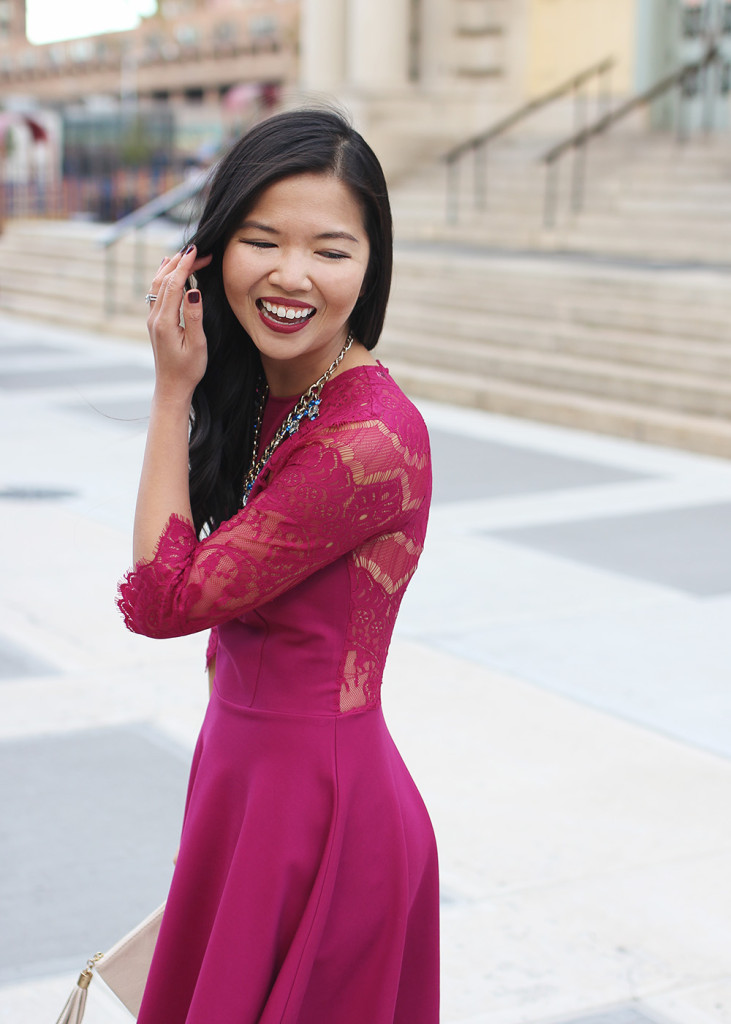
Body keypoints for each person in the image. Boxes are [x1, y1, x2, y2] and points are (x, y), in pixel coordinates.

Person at [118, 108, 439, 1024]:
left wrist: (170, 392)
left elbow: (161, 599)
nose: (292, 275)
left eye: (331, 250)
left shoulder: (368, 440)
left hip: (319, 817)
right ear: (212, 252)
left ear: (371, 265)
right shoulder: (274, 390)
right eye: (262, 239)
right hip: (245, 782)